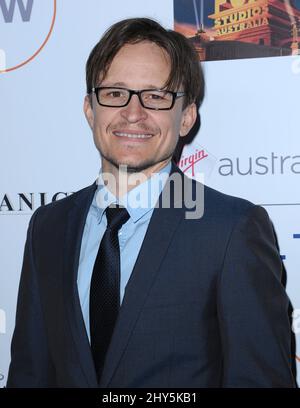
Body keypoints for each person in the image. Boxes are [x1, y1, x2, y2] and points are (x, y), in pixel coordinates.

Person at [7, 17, 296, 388]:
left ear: (187, 117)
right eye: (115, 93)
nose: (133, 112)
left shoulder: (231, 230)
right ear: (90, 108)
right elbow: (30, 374)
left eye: (156, 96)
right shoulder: (48, 226)